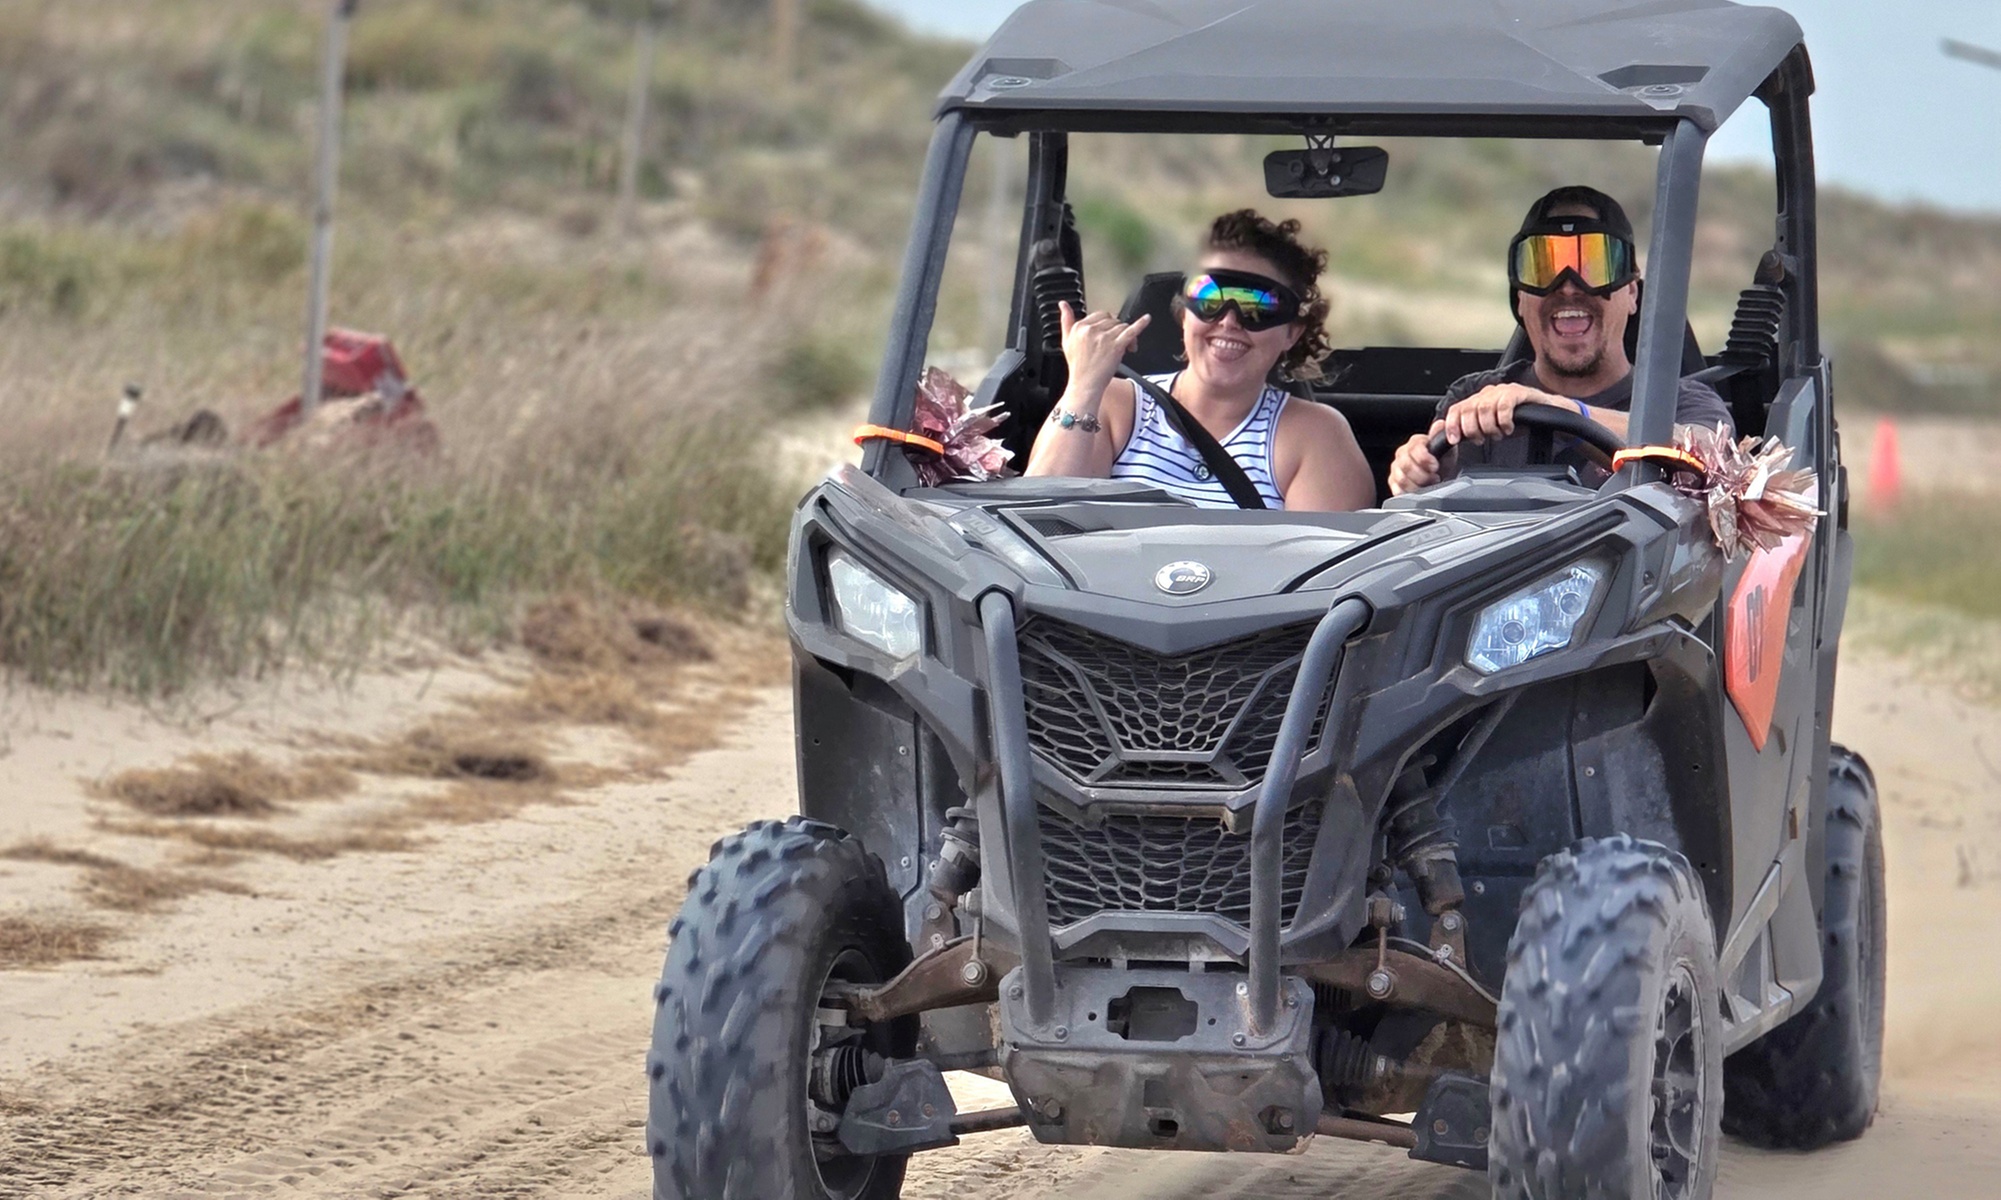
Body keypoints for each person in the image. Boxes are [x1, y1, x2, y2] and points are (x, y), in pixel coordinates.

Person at [1387, 186, 1734, 495]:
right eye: (1544, 268)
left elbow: (1707, 459)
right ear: (1520, 299)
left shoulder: (1682, 403)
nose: (1568, 287)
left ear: (1631, 293)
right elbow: (1432, 501)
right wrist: (1422, 477)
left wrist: (1563, 411)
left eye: (1594, 266)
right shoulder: (1472, 398)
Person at [1024, 210, 1375, 512]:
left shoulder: (1315, 436)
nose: (1229, 321)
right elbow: (1038, 521)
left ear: (1292, 333)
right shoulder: (1111, 405)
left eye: (1259, 306)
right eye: (1210, 296)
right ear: (1183, 315)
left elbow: (1320, 578)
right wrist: (1084, 385)